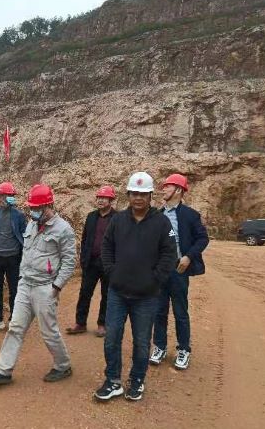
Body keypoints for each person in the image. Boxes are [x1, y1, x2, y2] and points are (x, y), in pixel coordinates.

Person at [94, 172, 177, 402]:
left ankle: (137, 379)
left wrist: (155, 279)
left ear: (150, 196)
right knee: (112, 338)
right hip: (117, 293)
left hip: (146, 297)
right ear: (128, 195)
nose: (138, 198)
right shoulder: (118, 221)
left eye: (143, 194)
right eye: (134, 193)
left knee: (141, 342)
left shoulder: (161, 222)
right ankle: (113, 381)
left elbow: (169, 254)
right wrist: (112, 272)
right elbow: (106, 247)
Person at [0, 184, 76, 386]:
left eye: (36, 208)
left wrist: (56, 287)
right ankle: (3, 371)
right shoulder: (32, 225)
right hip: (26, 285)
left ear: (48, 205)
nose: (32, 211)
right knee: (15, 327)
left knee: (48, 331)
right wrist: (22, 278)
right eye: (32, 207)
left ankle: (63, 365)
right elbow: (26, 252)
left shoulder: (63, 229)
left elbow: (69, 262)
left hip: (45, 287)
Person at [150, 174, 209, 370]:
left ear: (178, 190)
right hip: (160, 270)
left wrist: (188, 256)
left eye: (168, 186)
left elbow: (202, 239)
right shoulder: (157, 215)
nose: (164, 189)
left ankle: (183, 349)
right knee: (159, 310)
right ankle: (159, 347)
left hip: (178, 269)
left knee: (180, 311)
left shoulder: (190, 215)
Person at [66, 186, 117, 338]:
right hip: (91, 262)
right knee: (84, 293)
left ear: (111, 200)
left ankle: (102, 324)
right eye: (99, 197)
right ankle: (80, 323)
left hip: (108, 264)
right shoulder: (91, 217)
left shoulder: (118, 218)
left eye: (104, 198)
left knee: (106, 295)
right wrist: (83, 259)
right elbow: (85, 239)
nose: (100, 200)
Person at [0, 182, 27, 333]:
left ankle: (14, 320)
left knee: (15, 289)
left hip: (14, 258)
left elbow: (24, 235)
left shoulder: (19, 216)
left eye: (9, 196)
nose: (5, 199)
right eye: (3, 196)